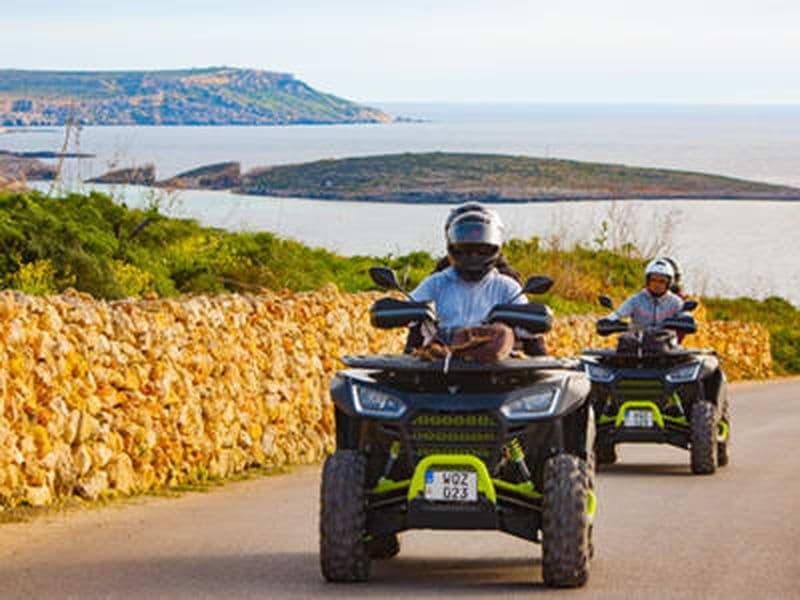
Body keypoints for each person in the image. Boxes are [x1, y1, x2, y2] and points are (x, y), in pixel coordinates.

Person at [404, 205, 547, 356]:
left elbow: (532, 333)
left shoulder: (507, 286)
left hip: (497, 372)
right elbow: (409, 308)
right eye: (465, 247)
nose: (473, 255)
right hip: (438, 364)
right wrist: (397, 311)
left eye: (481, 248)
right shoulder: (435, 283)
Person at [606, 258, 684, 329]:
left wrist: (686, 320)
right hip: (638, 341)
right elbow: (618, 314)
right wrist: (608, 321)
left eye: (662, 281)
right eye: (653, 280)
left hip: (667, 341)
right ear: (647, 281)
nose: (657, 284)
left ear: (669, 283)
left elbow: (686, 316)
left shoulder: (676, 302)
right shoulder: (636, 300)